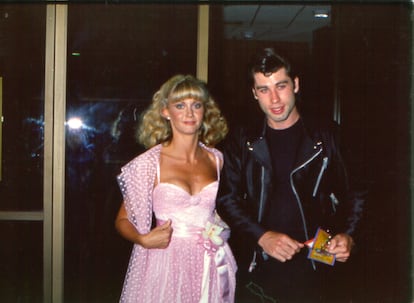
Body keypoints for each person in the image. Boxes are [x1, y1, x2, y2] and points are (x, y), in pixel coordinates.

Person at [216, 48, 365, 303]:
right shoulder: (241, 140)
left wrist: (348, 234)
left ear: (295, 84)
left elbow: (357, 192)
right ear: (254, 93)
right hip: (259, 264)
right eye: (263, 89)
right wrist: (262, 235)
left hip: (317, 265)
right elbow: (227, 199)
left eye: (281, 86)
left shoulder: (327, 136)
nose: (274, 99)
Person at [115, 74, 237, 303]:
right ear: (165, 111)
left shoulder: (217, 159)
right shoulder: (150, 164)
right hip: (165, 262)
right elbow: (122, 220)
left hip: (210, 262)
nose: (189, 113)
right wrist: (143, 239)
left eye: (196, 105)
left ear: (204, 111)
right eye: (180, 105)